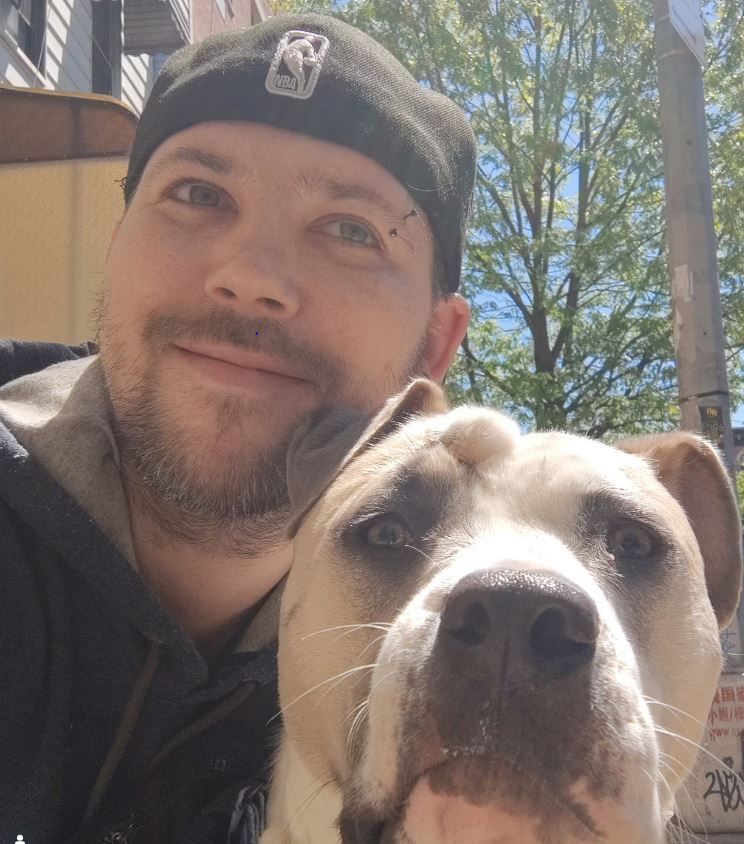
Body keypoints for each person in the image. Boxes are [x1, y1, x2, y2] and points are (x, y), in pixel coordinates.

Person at [0, 12, 475, 843]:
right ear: (116, 251)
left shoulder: (445, 671)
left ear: (434, 344)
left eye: (350, 230)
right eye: (197, 194)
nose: (251, 277)